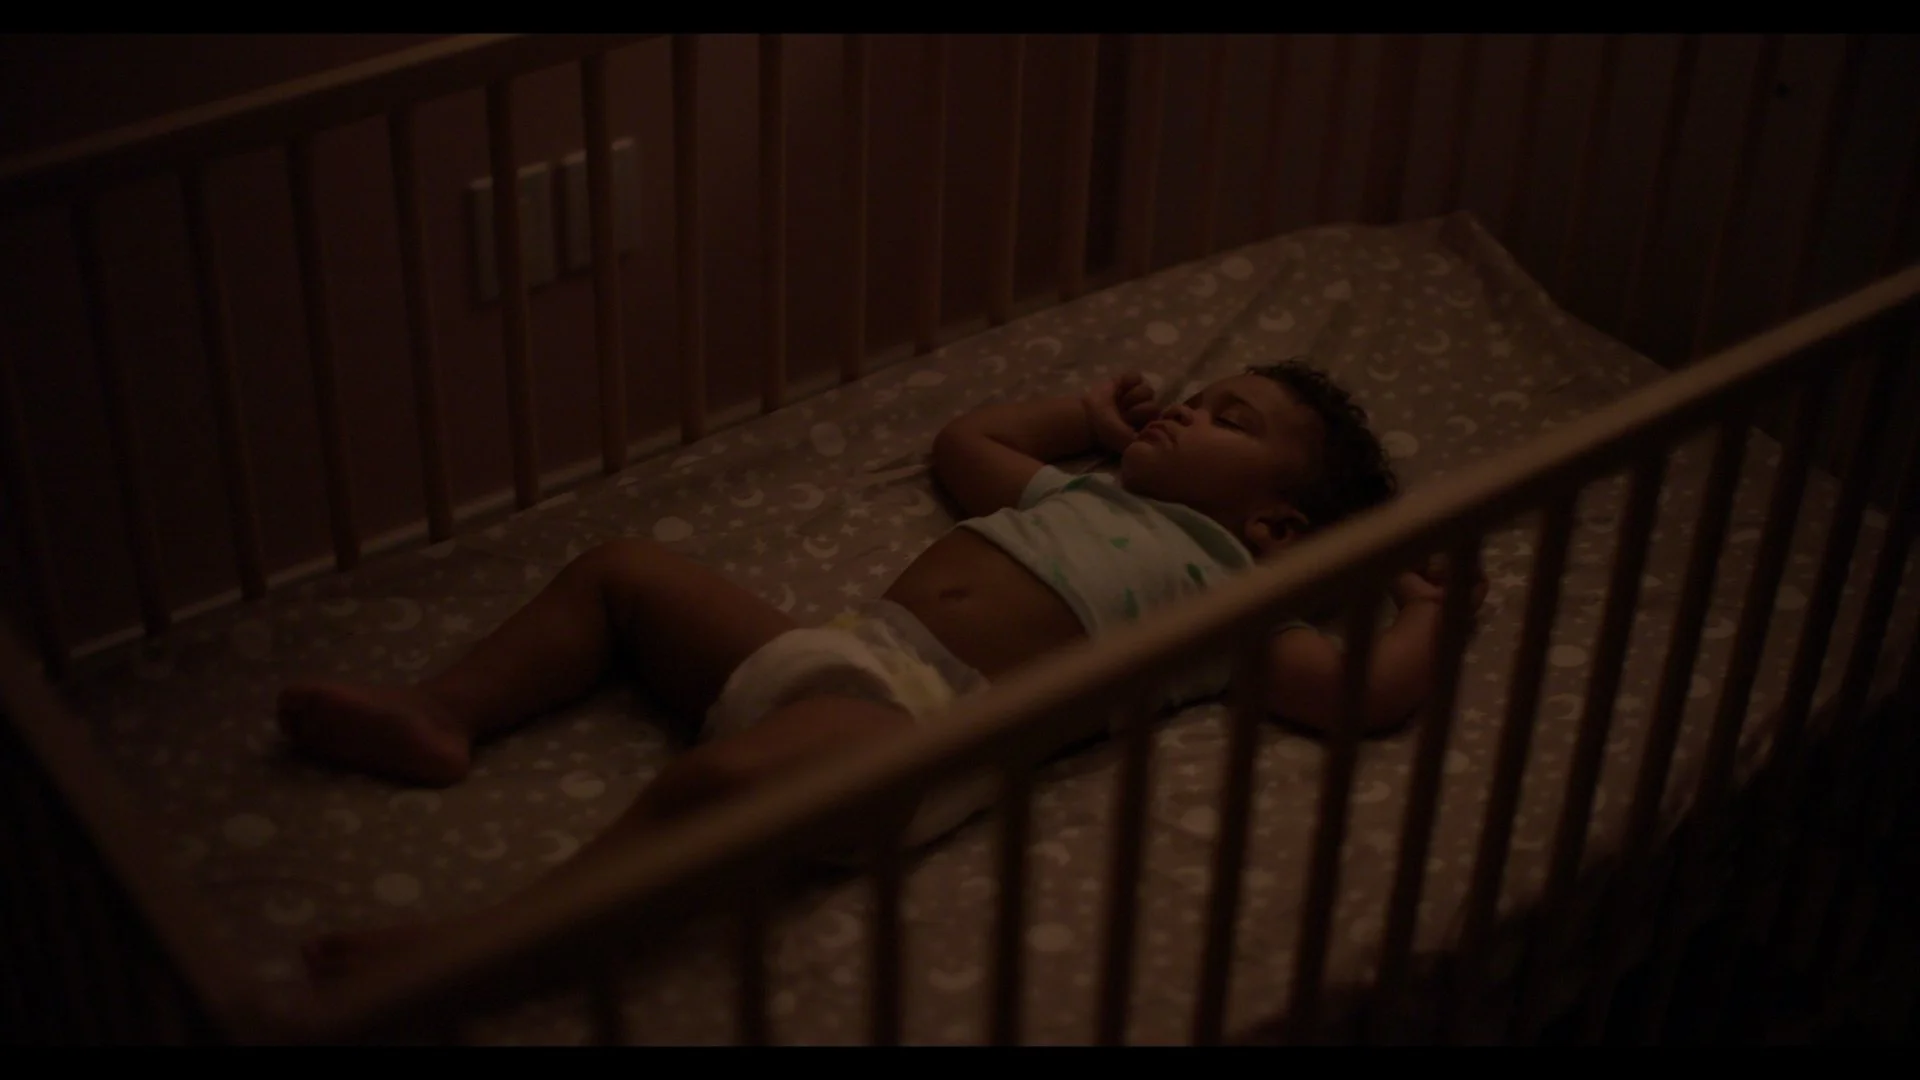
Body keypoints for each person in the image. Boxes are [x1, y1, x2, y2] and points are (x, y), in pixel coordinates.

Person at [278, 359, 1484, 979]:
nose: (1184, 414)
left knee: (735, 791)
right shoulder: (1081, 488)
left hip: (912, 732)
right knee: (623, 568)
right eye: (1197, 397)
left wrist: (1434, 610)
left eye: (1229, 420)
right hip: (837, 651)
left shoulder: (1229, 601)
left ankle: (485, 946)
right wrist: (1082, 412)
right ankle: (439, 713)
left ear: (1273, 526)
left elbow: (1365, 698)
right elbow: (966, 446)